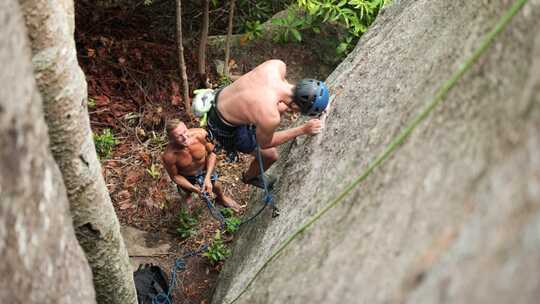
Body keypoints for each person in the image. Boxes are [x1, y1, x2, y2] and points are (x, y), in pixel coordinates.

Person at [198, 59, 330, 189]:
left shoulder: (276, 66)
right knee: (271, 156)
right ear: (295, 105)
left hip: (221, 98)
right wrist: (302, 129)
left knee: (280, 108)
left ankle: (255, 120)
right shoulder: (270, 116)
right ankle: (249, 177)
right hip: (224, 126)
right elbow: (265, 144)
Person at [162, 119, 241, 212]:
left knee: (216, 185)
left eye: (185, 131)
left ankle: (221, 198)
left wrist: (207, 178)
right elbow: (175, 177)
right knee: (185, 192)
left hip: (204, 168)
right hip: (186, 176)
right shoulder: (169, 156)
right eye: (179, 136)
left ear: (186, 127)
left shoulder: (201, 134)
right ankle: (188, 198)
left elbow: (213, 153)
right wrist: (196, 190)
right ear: (171, 139)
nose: (185, 137)